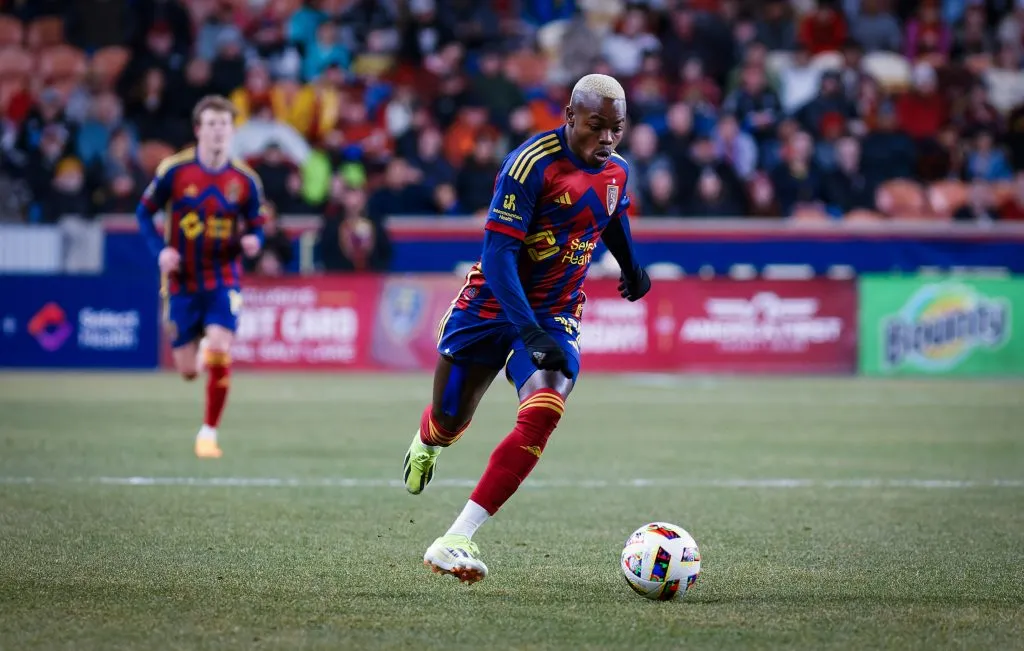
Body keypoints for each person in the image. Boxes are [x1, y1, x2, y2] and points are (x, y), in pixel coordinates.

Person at [402, 74, 651, 583]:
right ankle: (428, 442)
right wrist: (526, 330)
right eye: (596, 127)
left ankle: (456, 538)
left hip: (555, 314)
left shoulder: (617, 172)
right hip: (491, 308)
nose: (606, 139)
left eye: (617, 129)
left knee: (543, 410)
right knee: (450, 420)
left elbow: (611, 216)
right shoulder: (530, 165)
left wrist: (630, 266)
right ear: (570, 118)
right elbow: (498, 256)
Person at [135, 95, 266, 459]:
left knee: (221, 350)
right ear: (198, 130)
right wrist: (159, 252)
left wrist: (256, 239)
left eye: (224, 124)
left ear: (231, 130)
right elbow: (143, 214)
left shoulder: (245, 180)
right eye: (211, 124)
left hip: (224, 277)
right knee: (189, 371)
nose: (218, 131)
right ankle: (204, 343)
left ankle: (208, 433)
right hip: (182, 282)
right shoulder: (174, 172)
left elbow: (259, 221)